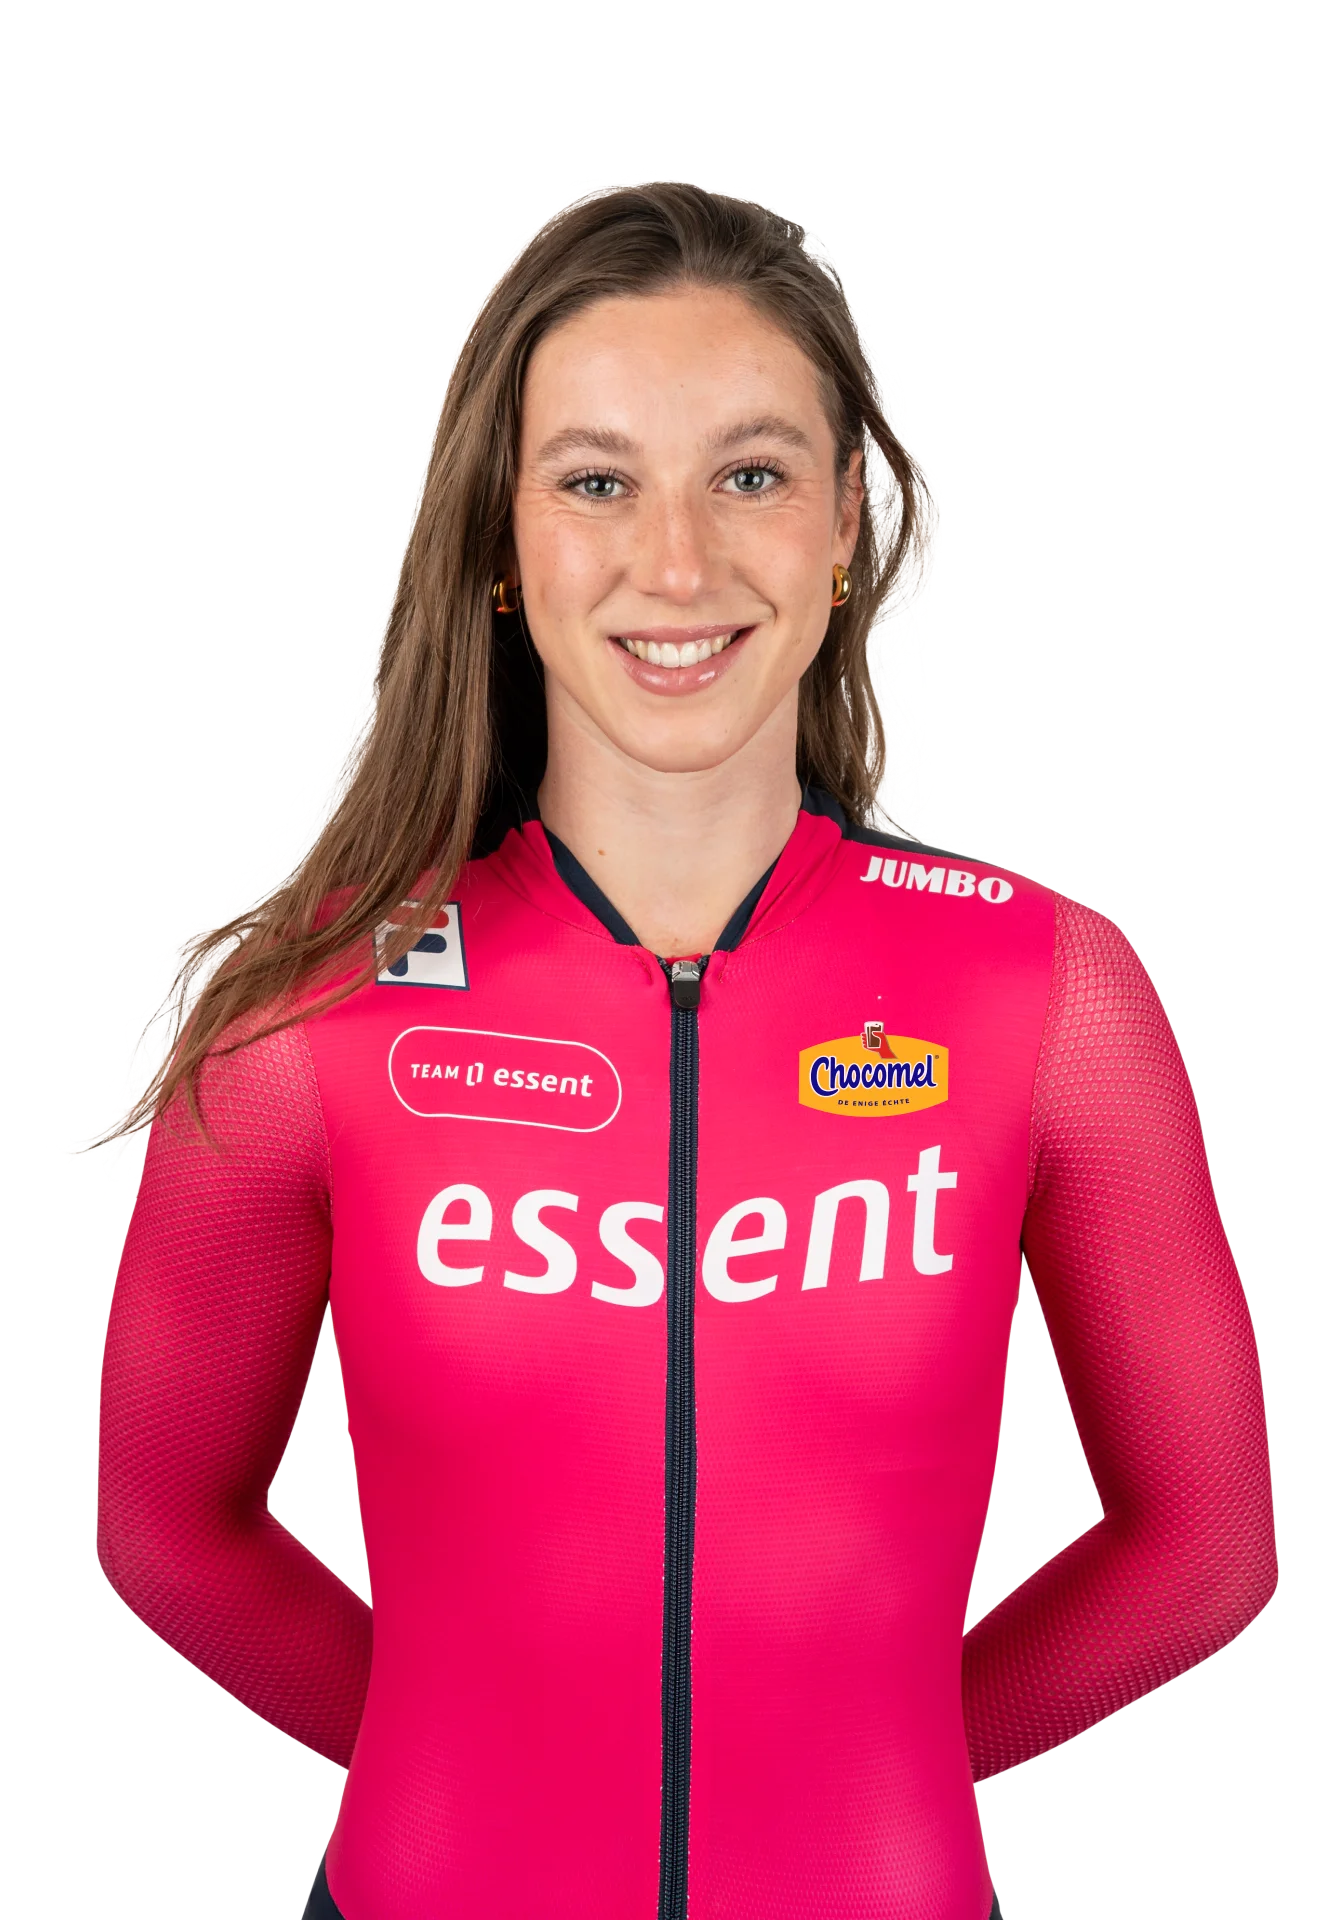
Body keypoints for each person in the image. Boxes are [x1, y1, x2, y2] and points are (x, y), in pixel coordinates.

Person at [92, 180, 1278, 1920]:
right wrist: (483, 1757)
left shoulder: (1044, 994)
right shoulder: (314, 1012)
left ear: (846, 518)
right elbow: (165, 1534)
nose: (677, 566)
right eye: (597, 483)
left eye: (751, 475)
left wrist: (859, 1758)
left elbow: (1206, 1551)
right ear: (502, 539)